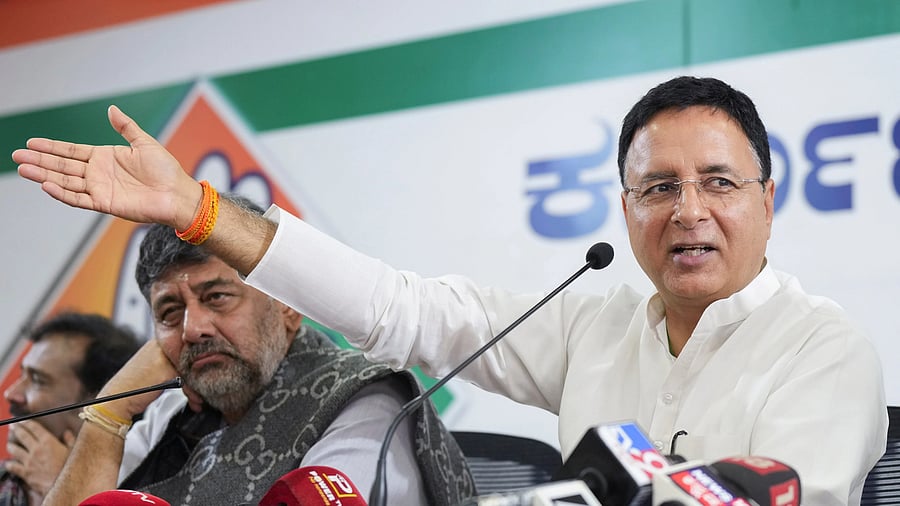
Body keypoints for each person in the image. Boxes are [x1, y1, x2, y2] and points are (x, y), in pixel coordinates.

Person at [12, 76, 887, 505]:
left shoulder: (825, 348)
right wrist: (203, 214)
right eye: (659, 188)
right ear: (626, 210)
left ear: (769, 201)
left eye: (719, 183)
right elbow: (401, 310)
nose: (688, 211)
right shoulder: (593, 324)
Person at [32, 195, 473, 506]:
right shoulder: (170, 414)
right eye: (169, 311)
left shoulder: (360, 400)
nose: (193, 328)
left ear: (286, 305)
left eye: (217, 297)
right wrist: (109, 416)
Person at [1, 312, 142, 506]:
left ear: (96, 401)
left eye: (37, 380)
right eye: (22, 374)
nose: (11, 393)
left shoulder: (140, 491)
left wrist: (64, 488)